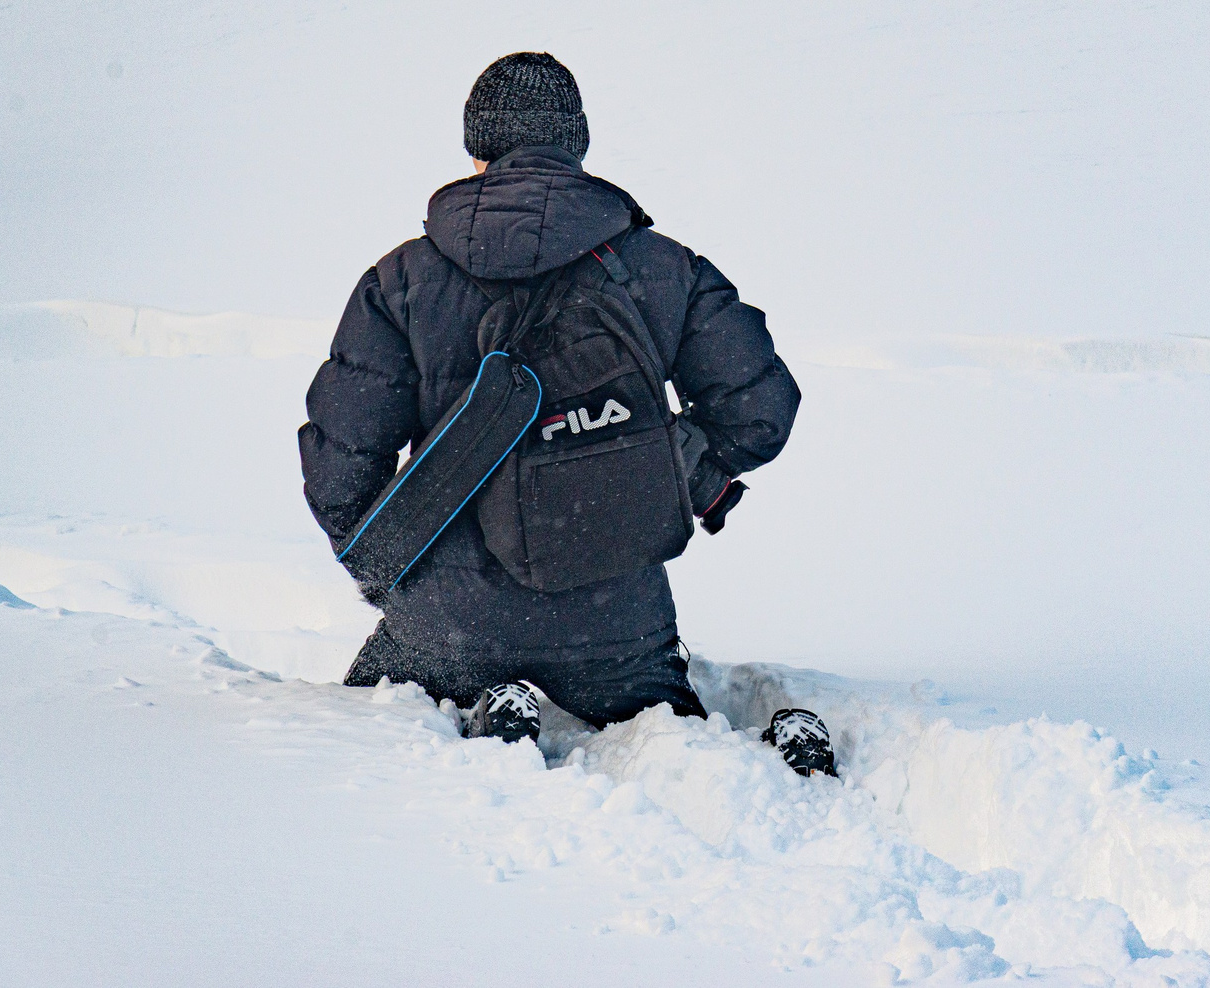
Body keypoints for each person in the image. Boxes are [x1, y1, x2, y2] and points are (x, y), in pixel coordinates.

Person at [298, 52, 829, 769]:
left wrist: (406, 566)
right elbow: (762, 405)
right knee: (669, 733)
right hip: (615, 628)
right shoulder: (662, 266)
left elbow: (339, 471)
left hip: (445, 626)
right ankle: (764, 768)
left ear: (476, 147)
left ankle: (500, 725)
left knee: (374, 728)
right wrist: (673, 465)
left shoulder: (401, 280)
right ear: (574, 145)